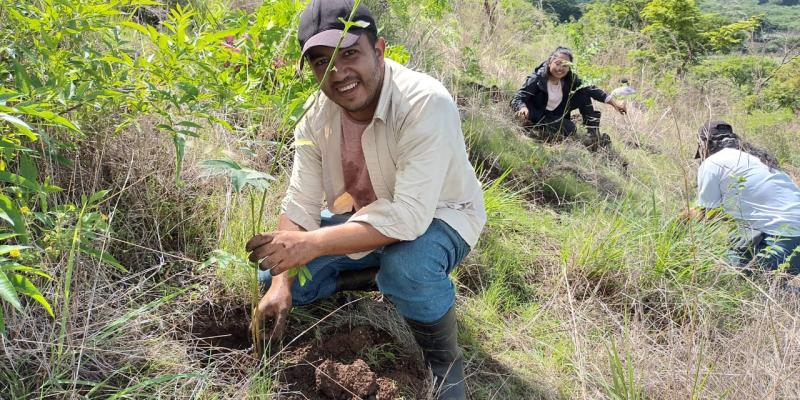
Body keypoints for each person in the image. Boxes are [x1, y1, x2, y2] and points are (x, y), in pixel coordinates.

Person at [244, 1, 486, 398]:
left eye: (350, 53)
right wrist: (282, 280)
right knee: (273, 277)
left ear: (380, 50)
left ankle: (445, 361)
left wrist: (311, 244)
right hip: (368, 219)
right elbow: (300, 203)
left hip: (442, 217)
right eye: (322, 62)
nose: (338, 73)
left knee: (407, 265)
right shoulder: (315, 116)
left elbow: (409, 217)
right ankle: (374, 276)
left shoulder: (425, 103)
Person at [691, 120, 800, 275]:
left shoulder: (711, 163)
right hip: (792, 239)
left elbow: (708, 215)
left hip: (781, 241)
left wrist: (678, 223)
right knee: (742, 240)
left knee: (719, 271)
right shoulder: (757, 159)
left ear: (703, 145)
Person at [510, 46, 627, 150]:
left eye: (565, 65)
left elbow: (589, 88)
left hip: (557, 113)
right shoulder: (537, 78)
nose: (560, 68)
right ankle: (538, 130)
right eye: (557, 63)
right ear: (550, 62)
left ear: (569, 67)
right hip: (538, 115)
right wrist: (522, 108)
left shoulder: (569, 79)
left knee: (583, 93)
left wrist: (614, 103)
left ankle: (593, 133)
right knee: (570, 129)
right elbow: (518, 97)